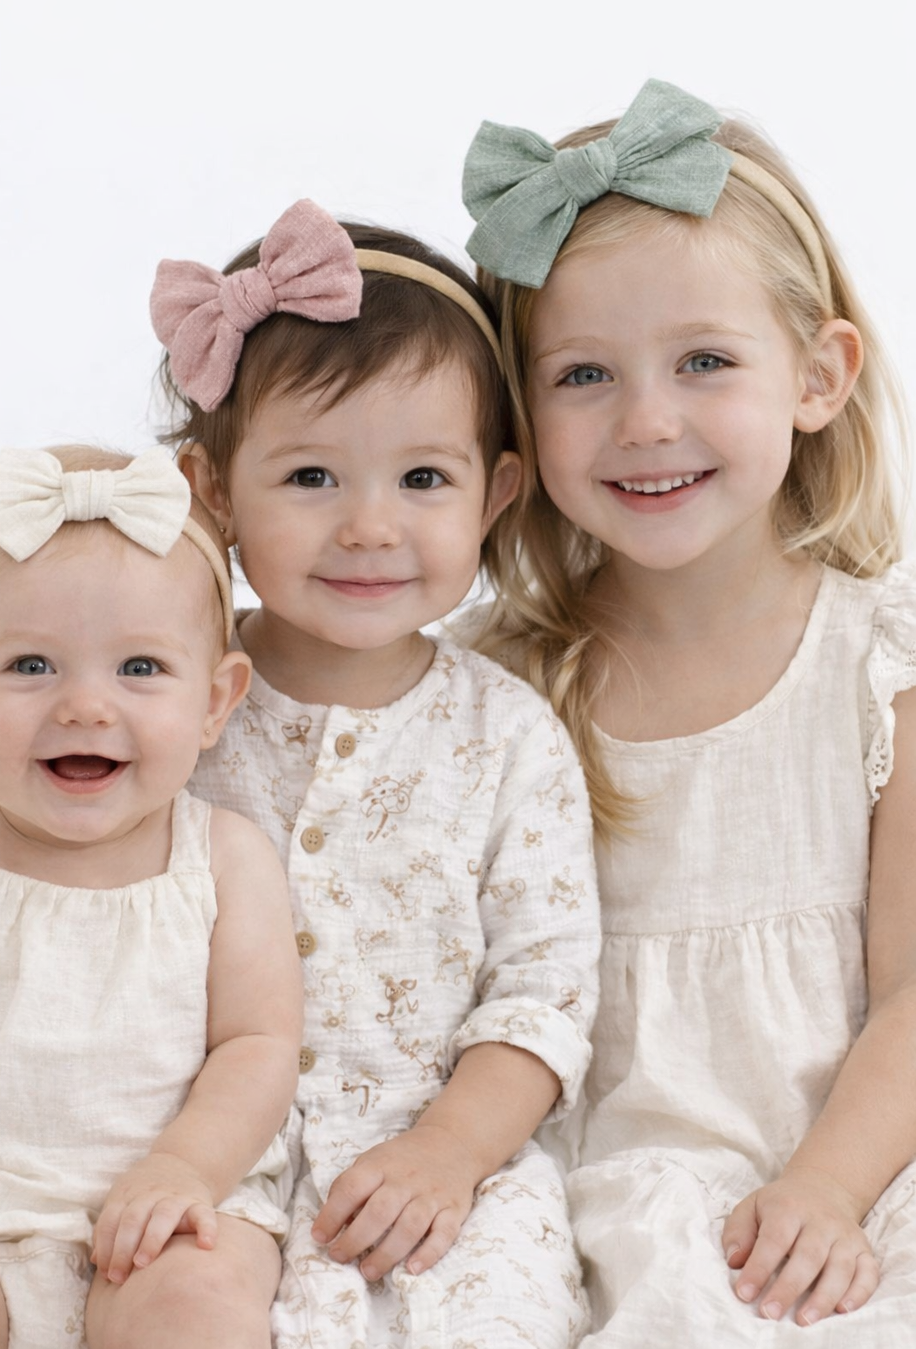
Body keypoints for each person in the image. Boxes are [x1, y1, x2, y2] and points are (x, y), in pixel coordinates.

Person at [456, 78, 916, 1343]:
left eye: (704, 362)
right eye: (583, 374)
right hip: (605, 1181)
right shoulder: (493, 691)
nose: (646, 422)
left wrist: (824, 1187)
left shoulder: (882, 661)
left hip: (861, 1163)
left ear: (816, 376)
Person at [150, 198, 602, 1348]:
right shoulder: (172, 705)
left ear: (495, 494)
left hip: (447, 1160)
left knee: (492, 1318)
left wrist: (451, 1150)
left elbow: (543, 990)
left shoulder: (507, 737)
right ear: (215, 492)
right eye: (309, 478)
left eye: (421, 481)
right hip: (192, 1149)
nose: (368, 528)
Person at [0, 444, 303, 1349]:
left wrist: (184, 1168)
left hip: (160, 1220)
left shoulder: (224, 860)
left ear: (216, 699)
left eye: (141, 669)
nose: (84, 706)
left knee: (199, 1311)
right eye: (31, 665)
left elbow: (258, 1043)